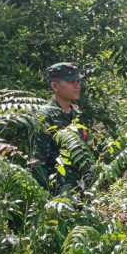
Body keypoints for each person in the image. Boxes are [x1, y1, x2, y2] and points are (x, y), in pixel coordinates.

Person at [33, 62, 88, 191]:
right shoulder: (45, 116)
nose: (77, 86)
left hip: (81, 190)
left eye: (78, 81)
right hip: (58, 194)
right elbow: (38, 164)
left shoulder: (76, 112)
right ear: (55, 86)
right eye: (71, 82)